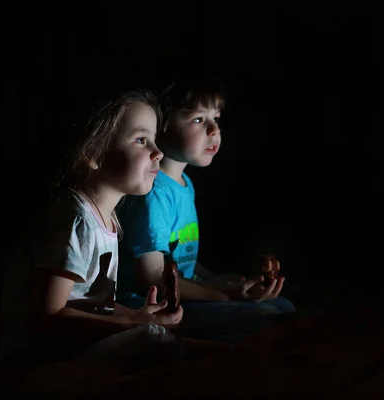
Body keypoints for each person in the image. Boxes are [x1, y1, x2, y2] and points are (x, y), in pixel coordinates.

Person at [0, 87, 184, 369]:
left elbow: (92, 305)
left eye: (154, 140)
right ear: (92, 153)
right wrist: (133, 324)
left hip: (72, 350)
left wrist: (137, 316)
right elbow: (47, 315)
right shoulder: (76, 219)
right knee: (160, 345)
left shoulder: (106, 220)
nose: (158, 152)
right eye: (141, 140)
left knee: (172, 342)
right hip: (41, 360)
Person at [117, 76, 296, 343]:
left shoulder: (184, 184)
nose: (214, 130)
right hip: (155, 306)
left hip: (187, 296)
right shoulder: (153, 193)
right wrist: (222, 295)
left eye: (216, 118)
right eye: (199, 120)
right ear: (161, 127)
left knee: (284, 307)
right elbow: (153, 276)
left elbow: (178, 256)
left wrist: (217, 281)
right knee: (269, 315)